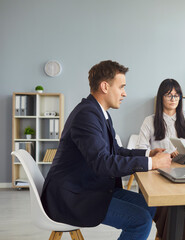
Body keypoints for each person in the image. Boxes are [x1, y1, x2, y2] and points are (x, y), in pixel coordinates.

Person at [41, 60, 171, 240]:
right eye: (121, 87)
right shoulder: (86, 115)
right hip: (72, 196)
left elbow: (115, 150)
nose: (125, 93)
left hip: (89, 186)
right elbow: (103, 162)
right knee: (140, 220)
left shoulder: (100, 113)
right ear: (104, 86)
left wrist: (149, 154)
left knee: (149, 205)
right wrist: (151, 163)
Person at [136, 78, 185, 240]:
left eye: (176, 95)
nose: (173, 99)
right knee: (170, 209)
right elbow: (140, 150)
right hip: (158, 178)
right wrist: (161, 153)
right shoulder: (150, 121)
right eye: (169, 95)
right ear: (161, 98)